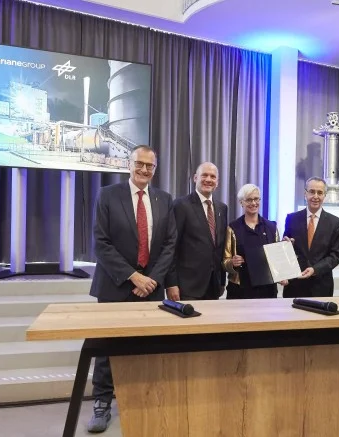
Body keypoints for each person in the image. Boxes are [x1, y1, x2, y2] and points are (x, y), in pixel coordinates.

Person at [87, 145, 177, 433]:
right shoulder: (107, 195)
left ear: (155, 169)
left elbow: (169, 244)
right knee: (107, 348)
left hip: (151, 289)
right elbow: (101, 243)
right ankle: (102, 402)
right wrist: (133, 277)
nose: (144, 170)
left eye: (150, 166)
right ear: (129, 164)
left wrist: (152, 279)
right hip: (114, 285)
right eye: (139, 163)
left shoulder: (164, 199)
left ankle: (142, 400)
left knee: (147, 348)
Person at [166, 162, 228, 301]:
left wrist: (222, 281)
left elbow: (220, 248)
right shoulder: (180, 205)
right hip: (187, 287)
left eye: (213, 176)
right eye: (204, 175)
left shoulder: (222, 208)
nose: (208, 179)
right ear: (195, 178)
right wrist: (171, 283)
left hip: (214, 285)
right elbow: (171, 247)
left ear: (217, 182)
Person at [282, 177, 339, 298]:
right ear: (305, 194)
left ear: (325, 196)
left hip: (321, 285)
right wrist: (286, 245)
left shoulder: (335, 222)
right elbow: (285, 249)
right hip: (295, 284)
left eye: (320, 193)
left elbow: (335, 255)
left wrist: (315, 269)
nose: (315, 196)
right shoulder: (292, 219)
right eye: (312, 191)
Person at [222, 184, 285, 299]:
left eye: (256, 199)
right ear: (241, 202)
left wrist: (283, 274)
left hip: (267, 289)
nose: (253, 203)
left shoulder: (271, 227)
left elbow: (278, 259)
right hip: (240, 290)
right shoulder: (233, 228)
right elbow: (225, 261)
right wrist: (232, 262)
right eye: (248, 200)